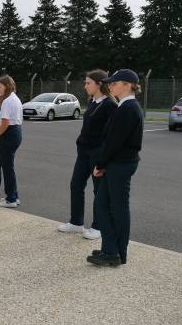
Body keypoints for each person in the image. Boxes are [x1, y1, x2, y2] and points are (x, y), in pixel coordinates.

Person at [87, 69, 144, 267]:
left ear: (127, 85)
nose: (110, 86)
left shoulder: (128, 108)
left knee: (117, 209)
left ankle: (116, 252)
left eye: (114, 83)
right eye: (109, 83)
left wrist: (100, 164)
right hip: (116, 164)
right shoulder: (124, 106)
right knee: (103, 206)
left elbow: (114, 142)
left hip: (119, 165)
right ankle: (110, 249)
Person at [58, 70, 117, 240]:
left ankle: (99, 226)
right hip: (83, 152)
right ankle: (76, 222)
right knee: (76, 185)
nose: (85, 86)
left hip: (98, 153)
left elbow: (111, 135)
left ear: (99, 84)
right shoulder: (92, 102)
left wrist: (104, 158)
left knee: (99, 191)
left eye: (88, 83)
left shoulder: (109, 105)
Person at [0, 75, 22, 208]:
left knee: (7, 168)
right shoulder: (14, 98)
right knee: (9, 167)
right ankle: (14, 196)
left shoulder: (7, 101)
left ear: (6, 86)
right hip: (16, 132)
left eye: (0, 87)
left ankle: (11, 199)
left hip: (8, 133)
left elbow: (5, 122)